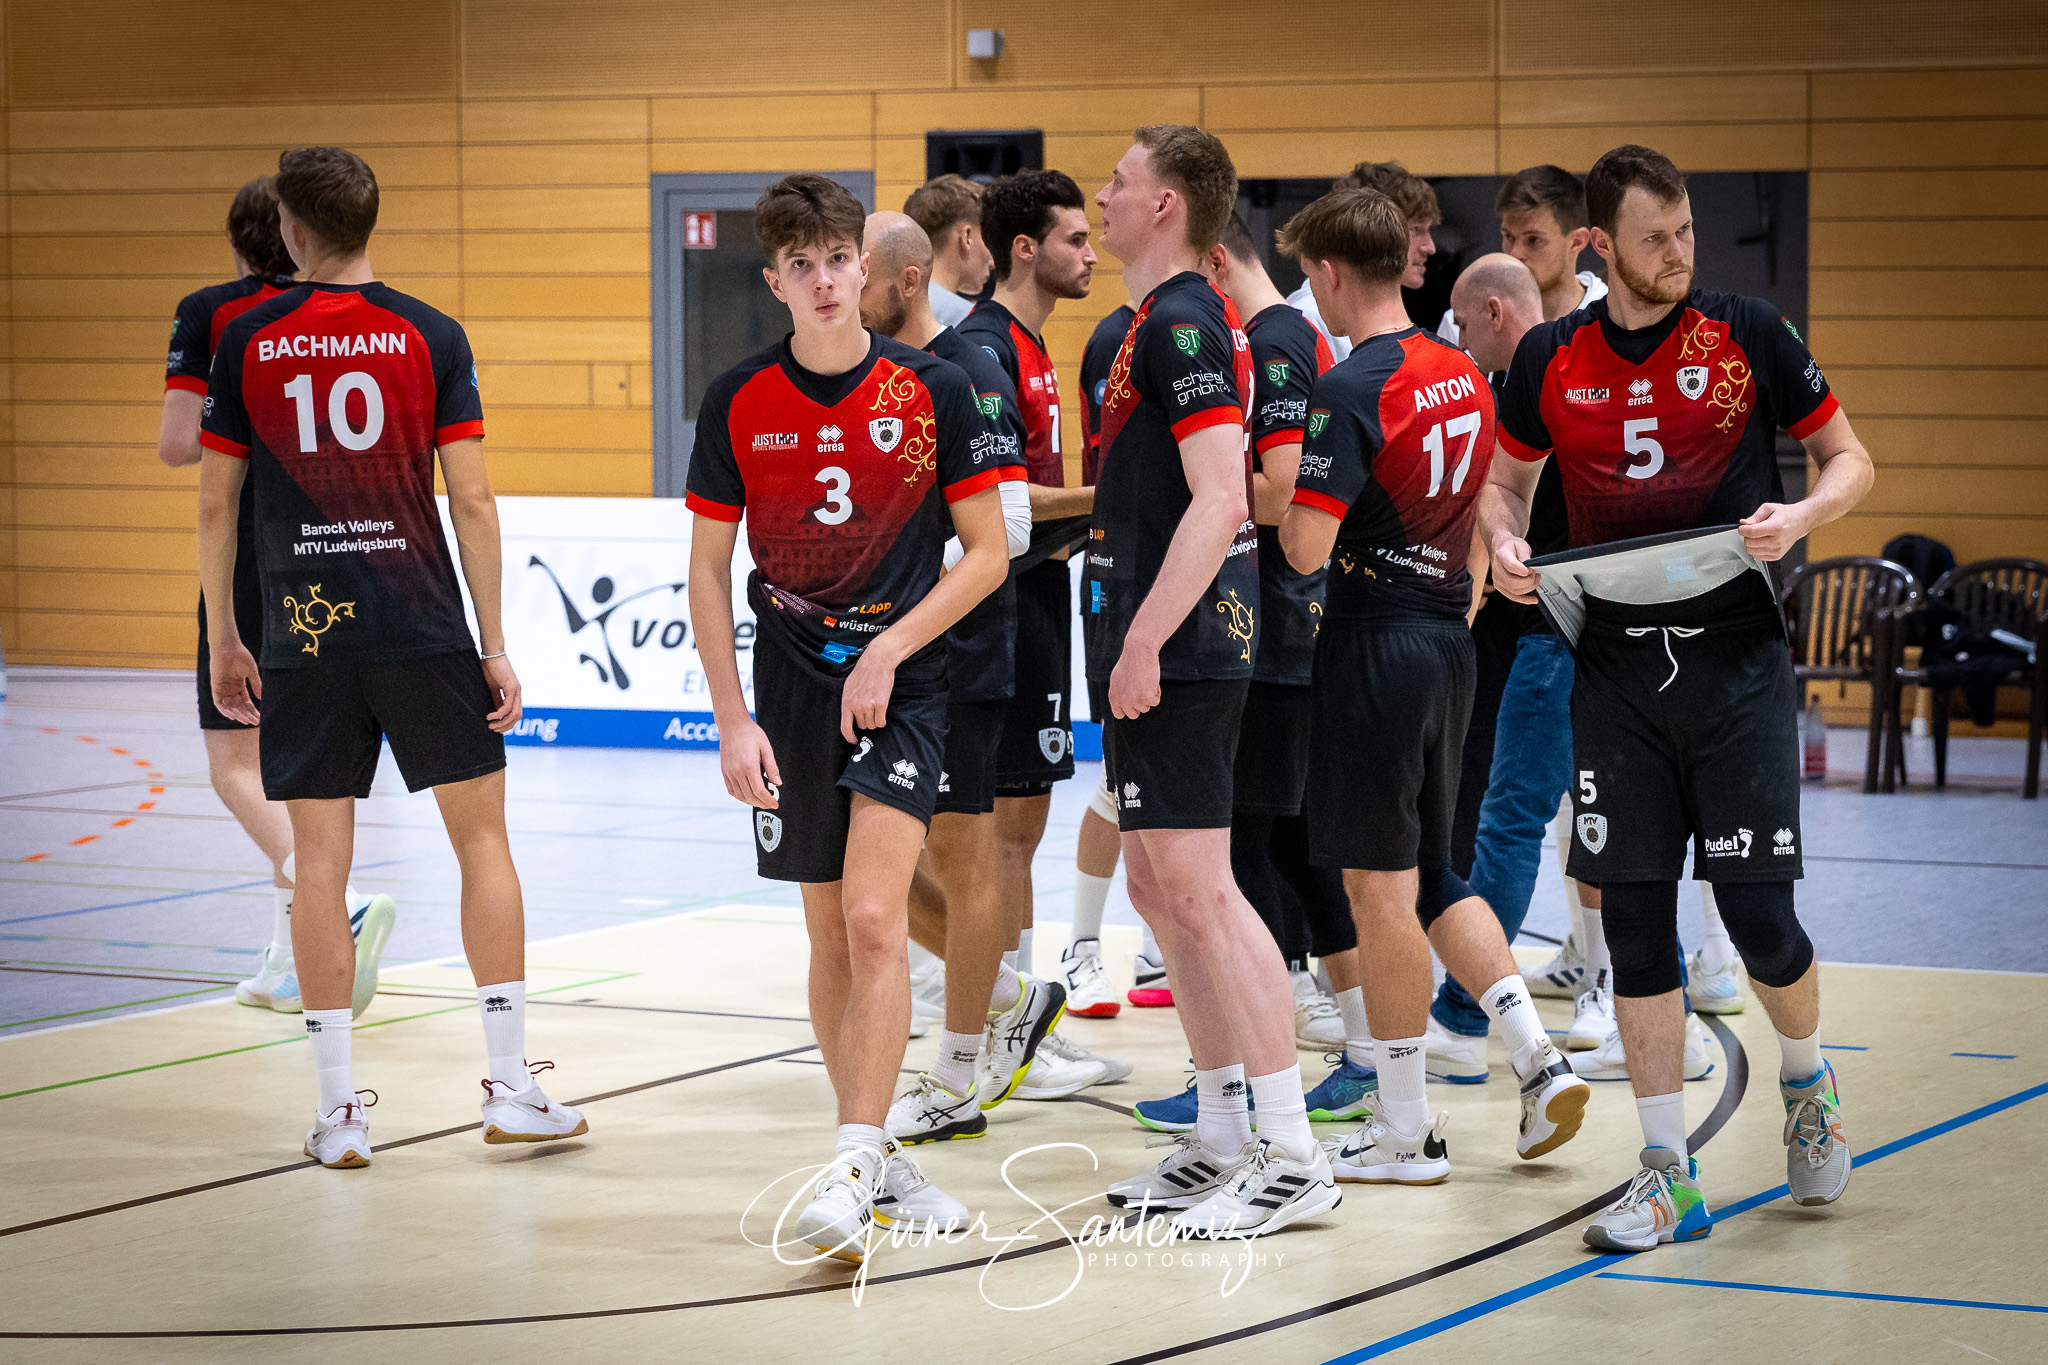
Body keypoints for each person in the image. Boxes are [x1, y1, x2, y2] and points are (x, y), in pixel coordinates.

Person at [1482, 144, 1872, 1251]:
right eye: (1655, 238)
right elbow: (1505, 484)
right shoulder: (1551, 356)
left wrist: (1798, 519)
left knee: (1757, 922)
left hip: (1734, 662)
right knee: (1636, 926)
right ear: (1601, 243)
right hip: (1612, 666)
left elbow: (1849, 460)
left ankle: (1805, 1079)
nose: (1678, 255)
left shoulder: (1744, 331)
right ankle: (1665, 1173)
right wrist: (1505, 542)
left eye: (1687, 232)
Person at [198, 146, 584, 1169]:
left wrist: (226, 637)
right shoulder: (431, 333)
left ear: (293, 227)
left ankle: (338, 1115)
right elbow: (474, 501)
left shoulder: (244, 340)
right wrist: (493, 644)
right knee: (482, 843)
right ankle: (509, 1089)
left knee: (319, 864)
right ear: (369, 219)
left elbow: (214, 501)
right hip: (419, 624)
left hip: (306, 633)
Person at [686, 176, 1012, 1263]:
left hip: (905, 678)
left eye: (840, 259)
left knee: (876, 919)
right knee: (827, 931)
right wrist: (733, 720)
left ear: (861, 272)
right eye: (803, 264)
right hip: (785, 684)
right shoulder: (736, 401)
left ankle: (849, 1169)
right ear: (773, 279)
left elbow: (988, 555)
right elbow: (704, 570)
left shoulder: (934, 388)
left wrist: (889, 646)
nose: (826, 280)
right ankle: (874, 1157)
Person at [1277, 187, 1589, 1188]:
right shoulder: (1460, 370)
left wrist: (1269, 494)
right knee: (1426, 870)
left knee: (1377, 890)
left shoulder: (1350, 385)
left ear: (1328, 274)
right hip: (1450, 638)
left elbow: (1303, 546)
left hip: (1370, 648)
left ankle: (1405, 1132)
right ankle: (1535, 1057)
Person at [1088, 125, 1339, 1239]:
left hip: (1180, 650)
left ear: (1167, 206)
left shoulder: (1184, 319)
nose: (1101, 196)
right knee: (1155, 889)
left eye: (1117, 181)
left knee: (1202, 890)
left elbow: (1223, 497)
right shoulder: (1162, 318)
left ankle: (1290, 1151)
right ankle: (1224, 1135)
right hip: (1153, 642)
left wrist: (1142, 639)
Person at [854, 211, 1110, 1128]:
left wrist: (1117, 497)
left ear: (908, 278)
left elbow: (1001, 526)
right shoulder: (887, 374)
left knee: (970, 852)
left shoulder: (967, 370)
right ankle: (1005, 1004)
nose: (844, 293)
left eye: (858, 273)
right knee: (893, 859)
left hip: (964, 641)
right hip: (902, 646)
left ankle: (964, 1068)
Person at [160, 176, 394, 1019]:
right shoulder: (352, 317)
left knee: (234, 767)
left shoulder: (219, 315)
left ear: (242, 243)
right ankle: (288, 957)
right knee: (287, 771)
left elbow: (180, 445)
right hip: (341, 559)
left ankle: (333, 892)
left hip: (254, 552)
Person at [957, 170, 1097, 1020]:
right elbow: (1006, 504)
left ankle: (1015, 1015)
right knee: (1003, 834)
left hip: (1038, 597)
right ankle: (1006, 1021)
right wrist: (1126, 497)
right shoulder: (982, 349)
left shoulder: (1033, 346)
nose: (1090, 255)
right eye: (1074, 240)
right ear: (1024, 249)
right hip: (998, 613)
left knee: (1021, 832)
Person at [1069, 295, 1156, 1010]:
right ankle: (1083, 947)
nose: (1090, 250)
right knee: (1120, 780)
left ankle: (1159, 953)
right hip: (1120, 582)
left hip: (1195, 586)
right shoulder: (1116, 337)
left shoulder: (1212, 325)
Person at [1286, 161, 1437, 364]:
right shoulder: (1309, 317)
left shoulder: (1388, 313)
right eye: (1416, 229)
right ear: (1370, 228)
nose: (1430, 247)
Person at [903, 174, 993, 327]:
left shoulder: (893, 306)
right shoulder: (969, 320)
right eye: (989, 238)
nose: (992, 262)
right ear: (966, 236)